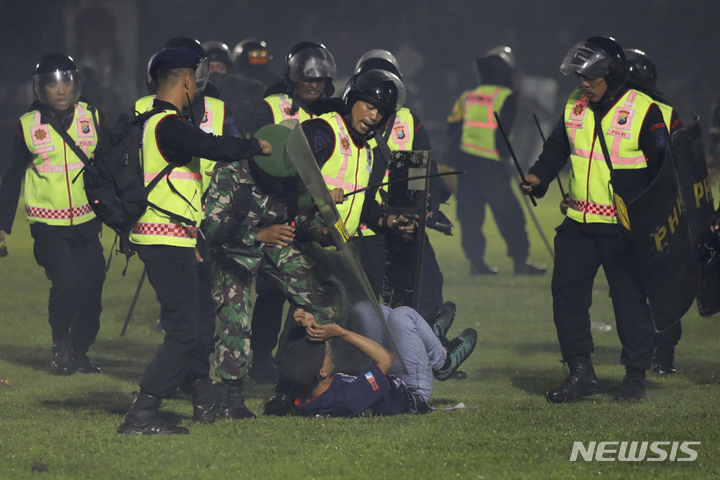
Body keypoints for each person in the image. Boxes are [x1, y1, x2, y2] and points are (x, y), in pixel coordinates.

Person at [116, 47, 272, 435]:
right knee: (185, 333)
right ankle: (142, 413)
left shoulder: (151, 121)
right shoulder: (167, 124)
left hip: (180, 238)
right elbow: (211, 146)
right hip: (164, 239)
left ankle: (203, 394)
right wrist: (254, 146)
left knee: (197, 324)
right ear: (187, 81)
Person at [520, 37, 669, 402]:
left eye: (591, 77)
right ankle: (581, 373)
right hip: (579, 223)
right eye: (581, 77)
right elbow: (558, 146)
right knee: (566, 294)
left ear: (613, 75)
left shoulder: (644, 110)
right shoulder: (575, 104)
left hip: (624, 228)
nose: (584, 84)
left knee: (630, 301)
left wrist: (655, 221)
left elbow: (665, 171)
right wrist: (539, 177)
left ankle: (635, 376)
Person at [0, 53, 107, 376]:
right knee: (67, 282)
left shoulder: (94, 117)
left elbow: (107, 167)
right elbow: (11, 177)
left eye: (66, 83)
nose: (61, 91)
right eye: (52, 84)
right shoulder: (28, 126)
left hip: (87, 222)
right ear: (40, 89)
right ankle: (61, 345)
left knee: (92, 286)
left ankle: (80, 351)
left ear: (75, 84)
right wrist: (1, 226)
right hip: (48, 225)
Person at [278, 303, 477, 417]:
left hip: (385, 378)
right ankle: (442, 360)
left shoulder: (305, 388)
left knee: (365, 309)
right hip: (411, 391)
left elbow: (298, 359)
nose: (329, 350)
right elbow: (386, 360)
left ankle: (427, 338)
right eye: (326, 352)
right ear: (321, 372)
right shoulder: (348, 399)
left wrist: (312, 326)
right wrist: (340, 332)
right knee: (402, 316)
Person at [447, 47, 544, 276]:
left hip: (466, 165)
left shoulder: (467, 96)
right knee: (510, 214)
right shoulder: (506, 97)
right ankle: (520, 262)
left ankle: (476, 264)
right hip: (492, 165)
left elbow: (452, 127)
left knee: (470, 217)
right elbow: (503, 132)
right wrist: (505, 159)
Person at [254, 41, 336, 131]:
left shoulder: (334, 114)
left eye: (320, 80)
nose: (314, 85)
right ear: (292, 79)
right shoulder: (271, 107)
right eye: (307, 80)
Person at [203, 40, 266, 138]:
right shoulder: (192, 97)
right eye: (211, 68)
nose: (216, 72)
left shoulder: (241, 97)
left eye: (221, 67)